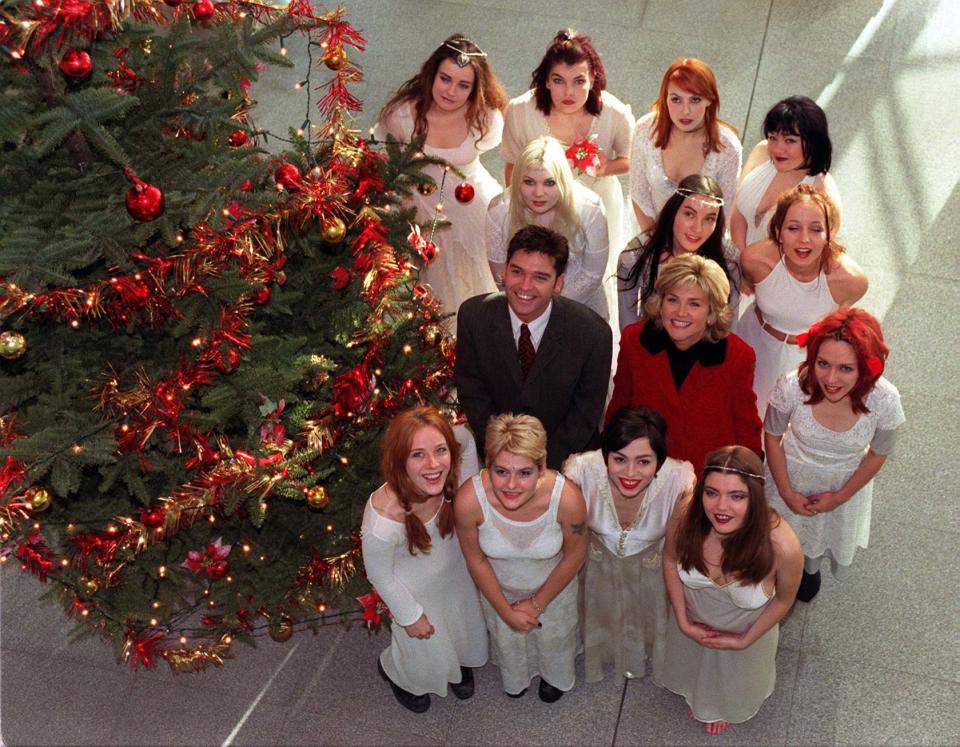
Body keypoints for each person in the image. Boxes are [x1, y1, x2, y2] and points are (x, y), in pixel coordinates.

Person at [656, 446, 803, 735]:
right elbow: (670, 559)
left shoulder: (783, 547)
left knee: (734, 679)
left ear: (755, 497)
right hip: (692, 619)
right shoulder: (686, 514)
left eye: (736, 496)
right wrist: (683, 620)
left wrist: (744, 640)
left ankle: (722, 700)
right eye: (711, 493)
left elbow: (785, 600)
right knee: (688, 666)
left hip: (746, 634)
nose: (721, 507)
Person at [764, 309, 904, 602]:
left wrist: (839, 497)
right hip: (789, 476)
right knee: (774, 545)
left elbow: (879, 453)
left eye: (846, 368)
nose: (830, 379)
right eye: (823, 363)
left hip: (843, 484)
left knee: (812, 556)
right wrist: (787, 492)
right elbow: (773, 436)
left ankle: (809, 568)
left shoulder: (885, 401)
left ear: (866, 368)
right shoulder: (791, 386)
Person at [361, 406, 489, 713]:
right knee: (423, 648)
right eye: (417, 455)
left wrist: (468, 481)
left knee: (460, 623)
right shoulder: (384, 516)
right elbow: (380, 575)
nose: (433, 465)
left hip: (455, 574)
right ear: (398, 460)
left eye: (440, 451)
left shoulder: (450, 473)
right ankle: (399, 674)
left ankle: (457, 664)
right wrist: (409, 616)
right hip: (416, 593)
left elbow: (466, 439)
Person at [454, 413, 587, 702]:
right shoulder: (468, 501)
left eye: (524, 473)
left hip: (554, 591)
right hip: (499, 593)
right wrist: (505, 611)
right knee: (510, 643)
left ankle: (555, 677)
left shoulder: (568, 499)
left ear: (541, 468)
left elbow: (574, 557)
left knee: (555, 639)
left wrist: (537, 604)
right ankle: (517, 678)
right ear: (487, 466)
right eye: (501, 471)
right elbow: (475, 560)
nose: (511, 485)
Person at [456, 224, 612, 470]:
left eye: (540, 277)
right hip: (497, 458)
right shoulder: (474, 316)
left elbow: (585, 414)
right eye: (517, 272)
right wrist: (507, 459)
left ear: (558, 283)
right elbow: (473, 393)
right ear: (504, 271)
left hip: (567, 463)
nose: (525, 286)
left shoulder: (593, 333)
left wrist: (538, 466)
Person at [501, 29, 634, 314]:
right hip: (537, 206)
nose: (569, 93)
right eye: (558, 81)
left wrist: (605, 167)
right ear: (545, 81)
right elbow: (512, 164)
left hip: (596, 201)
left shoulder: (614, 113)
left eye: (579, 81)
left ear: (594, 79)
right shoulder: (521, 111)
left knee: (593, 270)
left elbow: (629, 159)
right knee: (539, 270)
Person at [374, 34, 508, 316]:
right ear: (431, 74)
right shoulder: (402, 116)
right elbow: (382, 157)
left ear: (474, 89)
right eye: (445, 79)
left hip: (473, 212)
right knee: (436, 288)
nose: (450, 91)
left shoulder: (485, 119)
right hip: (423, 212)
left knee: (479, 280)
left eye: (463, 85)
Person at [562, 406, 695, 683]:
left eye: (644, 462)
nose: (630, 473)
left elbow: (679, 551)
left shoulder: (679, 481)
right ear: (605, 455)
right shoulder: (580, 472)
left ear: (659, 461)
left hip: (651, 577)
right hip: (595, 571)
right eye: (619, 459)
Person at [607, 254, 761, 474]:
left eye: (694, 304)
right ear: (660, 303)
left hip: (708, 479)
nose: (680, 312)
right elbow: (619, 408)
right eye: (672, 300)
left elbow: (746, 427)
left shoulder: (738, 356)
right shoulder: (635, 341)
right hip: (645, 474)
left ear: (711, 313)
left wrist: (748, 479)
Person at [737, 184, 867, 416]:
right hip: (753, 344)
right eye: (793, 228)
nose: (804, 239)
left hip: (803, 361)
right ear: (778, 232)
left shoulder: (851, 280)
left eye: (816, 229)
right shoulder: (755, 260)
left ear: (829, 234)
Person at [487, 136, 608, 319]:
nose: (539, 193)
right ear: (518, 179)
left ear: (563, 181)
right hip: (522, 305)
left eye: (549, 183)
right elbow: (501, 274)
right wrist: (529, 302)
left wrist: (547, 309)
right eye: (529, 182)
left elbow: (592, 274)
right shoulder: (499, 210)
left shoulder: (590, 209)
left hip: (581, 309)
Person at [630, 58, 741, 233]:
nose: (685, 110)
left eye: (695, 99)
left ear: (709, 100)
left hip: (700, 242)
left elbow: (722, 216)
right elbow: (638, 194)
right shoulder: (645, 129)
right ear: (665, 98)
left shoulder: (727, 148)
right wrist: (656, 245)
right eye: (676, 99)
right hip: (650, 233)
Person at [617, 174, 740, 330]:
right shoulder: (636, 256)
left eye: (709, 219)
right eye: (689, 214)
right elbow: (628, 327)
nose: (697, 228)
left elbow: (729, 326)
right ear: (673, 211)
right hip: (651, 344)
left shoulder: (728, 259)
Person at [731, 95, 840, 252]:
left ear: (813, 142)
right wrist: (741, 259)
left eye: (790, 140)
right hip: (735, 256)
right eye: (773, 137)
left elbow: (813, 252)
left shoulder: (823, 190)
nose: (777, 149)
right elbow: (738, 211)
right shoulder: (762, 151)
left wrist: (752, 268)